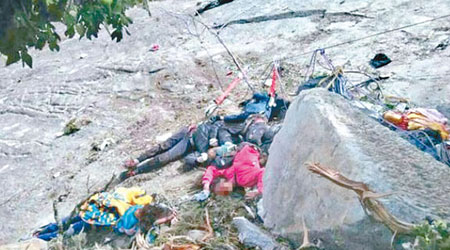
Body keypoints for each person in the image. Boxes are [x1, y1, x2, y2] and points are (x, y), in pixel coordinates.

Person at [33, 187, 176, 241]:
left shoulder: (136, 207)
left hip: (96, 208)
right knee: (69, 231)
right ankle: (40, 239)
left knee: (67, 222)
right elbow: (148, 238)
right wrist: (163, 220)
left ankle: (40, 232)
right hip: (98, 220)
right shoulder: (134, 225)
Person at [193, 143, 267, 202]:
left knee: (217, 151)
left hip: (244, 148)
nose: (227, 187)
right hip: (248, 150)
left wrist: (258, 191)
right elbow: (212, 170)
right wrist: (206, 185)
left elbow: (262, 171)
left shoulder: (234, 174)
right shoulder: (239, 178)